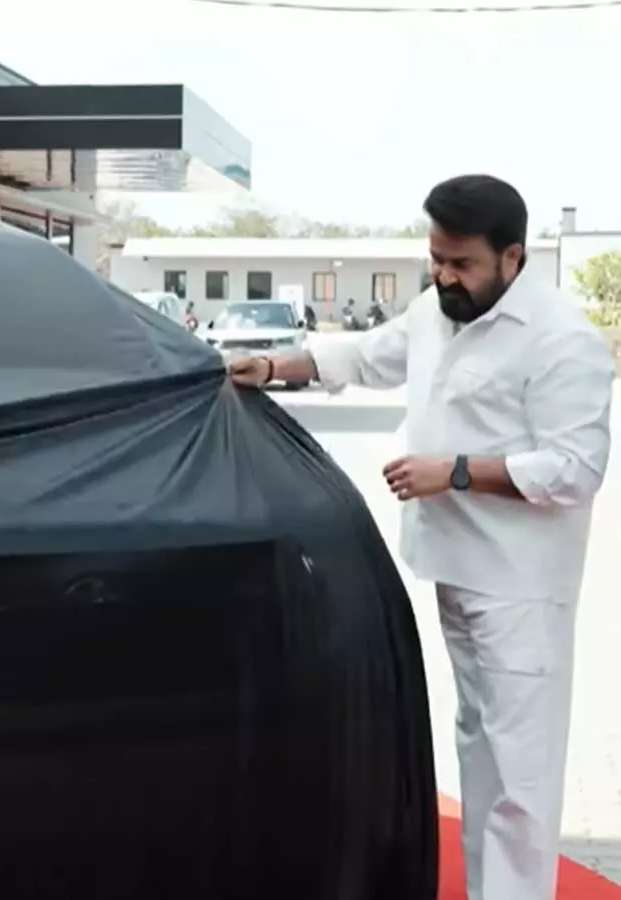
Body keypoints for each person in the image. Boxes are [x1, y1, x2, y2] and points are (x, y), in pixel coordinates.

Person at [229, 174, 613, 900]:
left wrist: (455, 472)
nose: (444, 276)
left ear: (513, 257)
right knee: (480, 753)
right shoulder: (437, 312)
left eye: (462, 263)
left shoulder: (562, 341)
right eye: (436, 258)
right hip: (455, 571)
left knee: (520, 774)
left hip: (521, 588)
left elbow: (575, 470)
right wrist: (274, 367)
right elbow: (366, 355)